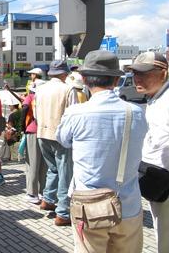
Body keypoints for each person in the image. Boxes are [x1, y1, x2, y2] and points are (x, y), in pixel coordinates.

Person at [57, 50, 147, 252]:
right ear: (116, 80)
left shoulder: (76, 113)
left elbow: (63, 140)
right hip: (128, 203)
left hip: (89, 206)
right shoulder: (136, 112)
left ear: (85, 79)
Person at [130, 51, 169, 252]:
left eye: (144, 73)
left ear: (163, 73)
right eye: (135, 73)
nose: (137, 78)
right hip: (157, 182)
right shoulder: (154, 98)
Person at [35, 60, 77, 226]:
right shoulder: (68, 89)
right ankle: (63, 213)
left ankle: (48, 199)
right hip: (60, 135)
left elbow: (36, 112)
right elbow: (73, 115)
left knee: (53, 169)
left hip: (42, 132)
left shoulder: (40, 89)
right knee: (65, 173)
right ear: (64, 73)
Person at [20, 79, 47, 204]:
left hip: (32, 129)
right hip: (46, 131)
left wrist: (22, 128)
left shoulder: (31, 96)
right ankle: (43, 191)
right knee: (44, 164)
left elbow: (24, 108)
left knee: (32, 162)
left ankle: (32, 193)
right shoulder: (47, 98)